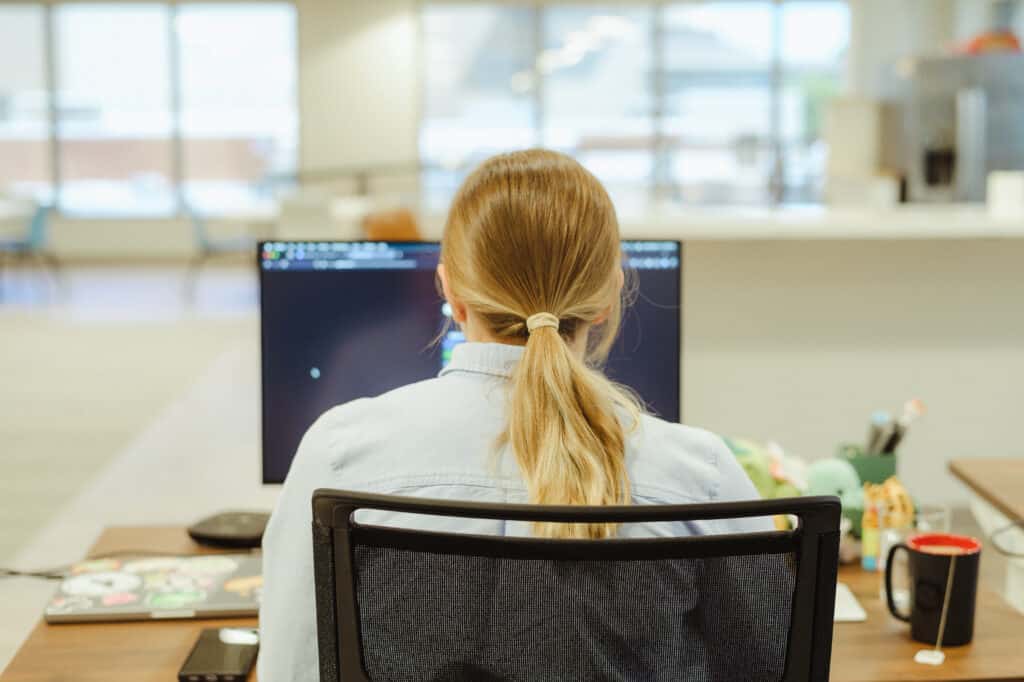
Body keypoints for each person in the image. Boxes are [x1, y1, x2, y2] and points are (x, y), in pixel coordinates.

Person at [258, 149, 769, 680]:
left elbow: (293, 669)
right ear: (609, 295)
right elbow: (776, 666)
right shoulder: (700, 478)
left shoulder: (340, 456)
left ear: (450, 292)